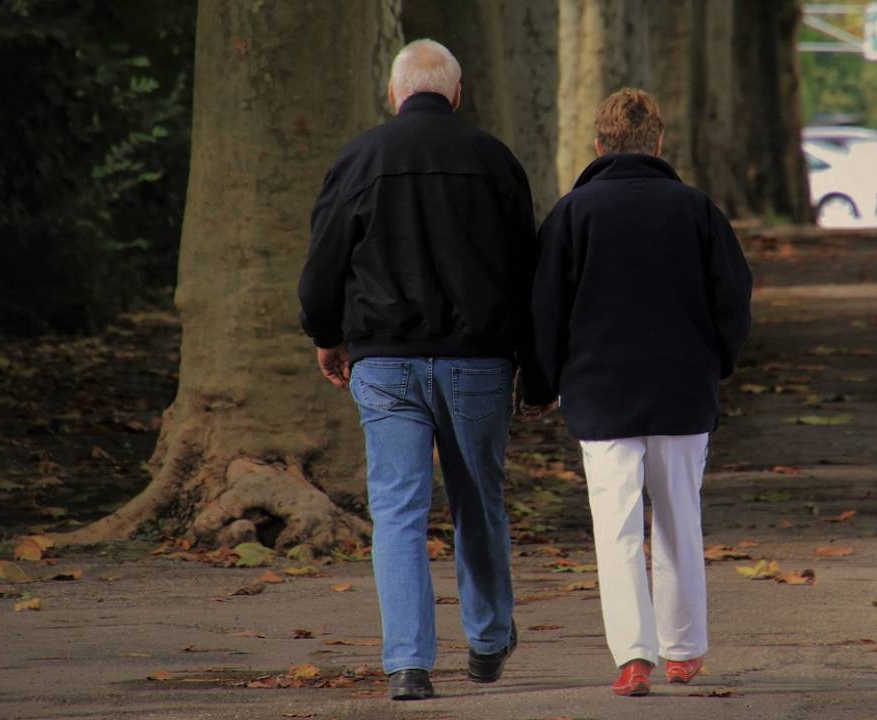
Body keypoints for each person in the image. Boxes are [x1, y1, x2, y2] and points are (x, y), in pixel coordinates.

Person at [297, 39, 544, 701]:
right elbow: (529, 273)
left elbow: (323, 264)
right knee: (478, 502)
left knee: (398, 511)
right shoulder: (495, 161)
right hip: (477, 362)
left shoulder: (359, 158)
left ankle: (408, 663)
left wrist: (328, 336)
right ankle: (489, 639)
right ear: (457, 93)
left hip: (384, 361)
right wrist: (534, 362)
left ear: (394, 93)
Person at [527, 88, 753, 696]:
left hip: (600, 395)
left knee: (616, 528)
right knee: (681, 518)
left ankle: (634, 655)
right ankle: (684, 649)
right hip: (682, 391)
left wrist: (543, 383)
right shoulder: (698, 210)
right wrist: (718, 364)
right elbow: (732, 300)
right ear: (658, 143)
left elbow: (546, 311)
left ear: (598, 146)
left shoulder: (572, 214)